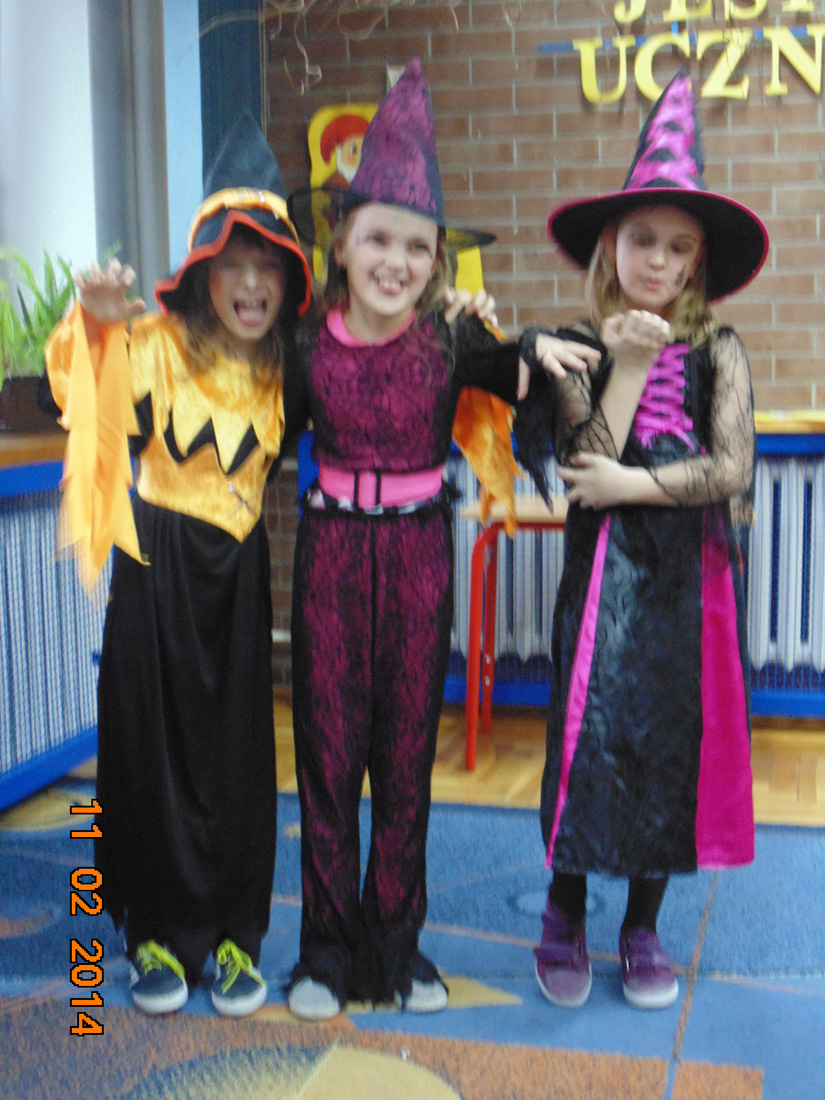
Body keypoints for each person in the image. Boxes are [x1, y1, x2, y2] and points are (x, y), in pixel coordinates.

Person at [282, 58, 594, 1022]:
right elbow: (244, 422)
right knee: (327, 760)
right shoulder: (304, 347)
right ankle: (325, 954)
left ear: (435, 263)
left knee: (406, 759)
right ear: (341, 244)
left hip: (419, 562)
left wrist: (537, 346)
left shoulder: (451, 341)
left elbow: (518, 368)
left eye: (417, 248)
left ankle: (394, 947)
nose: (396, 263)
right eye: (377, 239)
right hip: (329, 563)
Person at [45, 113, 314, 1017]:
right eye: (234, 263)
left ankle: (234, 936)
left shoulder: (286, 368)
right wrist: (96, 327)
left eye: (268, 264)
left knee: (237, 763)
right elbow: (82, 404)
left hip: (237, 583)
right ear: (203, 271)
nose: (251, 283)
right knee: (145, 752)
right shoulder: (156, 344)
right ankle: (149, 933)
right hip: (153, 575)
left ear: (287, 278)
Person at [513, 72, 768, 1011]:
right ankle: (564, 911)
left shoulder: (720, 352)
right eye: (641, 240)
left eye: (677, 246)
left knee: (669, 746)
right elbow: (587, 460)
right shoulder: (576, 350)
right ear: (611, 247)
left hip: (686, 592)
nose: (657, 260)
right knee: (588, 738)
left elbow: (729, 465)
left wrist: (637, 487)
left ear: (697, 262)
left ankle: (641, 925)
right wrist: (624, 362)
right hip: (601, 591)